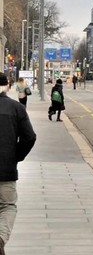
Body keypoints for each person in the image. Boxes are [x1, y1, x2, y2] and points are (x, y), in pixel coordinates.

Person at [0, 72, 36, 254]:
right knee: (7, 206)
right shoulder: (16, 108)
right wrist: (16, 156)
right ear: (7, 85)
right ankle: (0, 238)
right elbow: (29, 137)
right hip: (6, 171)